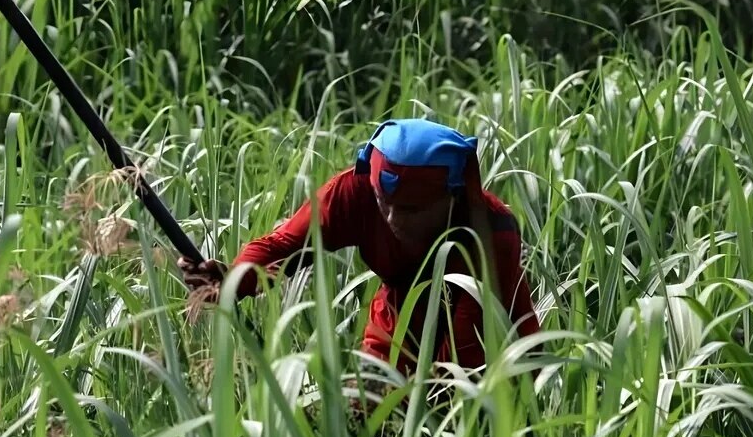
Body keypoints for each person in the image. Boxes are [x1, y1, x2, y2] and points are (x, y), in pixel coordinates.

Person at [178, 118, 542, 378]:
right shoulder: (356, 193)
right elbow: (283, 246)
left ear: (453, 195)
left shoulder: (490, 233)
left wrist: (416, 401)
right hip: (396, 330)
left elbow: (467, 358)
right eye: (385, 202)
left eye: (412, 210)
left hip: (499, 353)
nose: (393, 218)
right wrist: (231, 280)